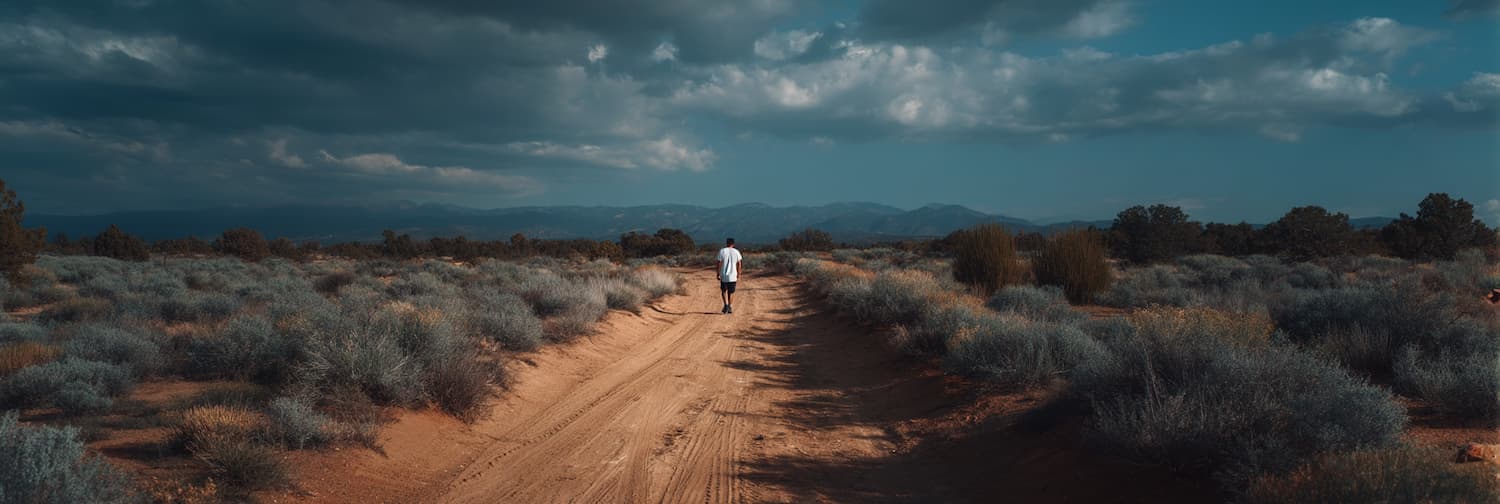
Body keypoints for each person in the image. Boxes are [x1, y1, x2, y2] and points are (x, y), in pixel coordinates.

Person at [716, 237, 742, 314]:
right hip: (733, 275)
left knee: (723, 291)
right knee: (731, 292)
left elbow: (718, 263)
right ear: (733, 244)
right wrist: (738, 273)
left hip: (724, 275)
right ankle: (730, 306)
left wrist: (718, 273)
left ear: (726, 243)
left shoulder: (722, 251)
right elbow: (739, 263)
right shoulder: (737, 252)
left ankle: (726, 305)